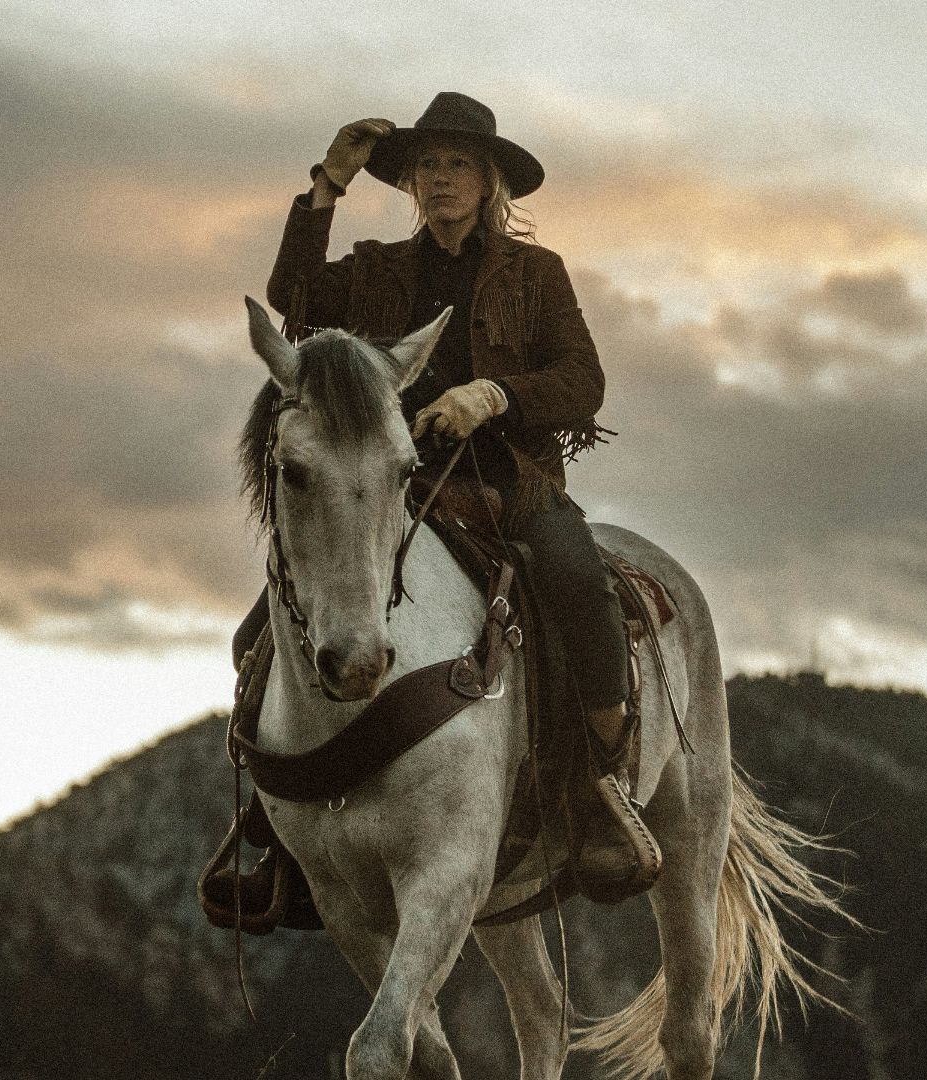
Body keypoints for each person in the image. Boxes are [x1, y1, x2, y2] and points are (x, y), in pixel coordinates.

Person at [240, 92, 655, 896]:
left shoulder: (536, 273)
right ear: (409, 183)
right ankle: (282, 825)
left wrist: (494, 394)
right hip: (399, 481)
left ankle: (603, 788)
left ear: (489, 179)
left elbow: (584, 380)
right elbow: (295, 296)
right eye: (426, 164)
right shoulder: (376, 268)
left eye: (458, 163)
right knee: (258, 633)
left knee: (579, 587)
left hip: (510, 482)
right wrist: (327, 185)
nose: (440, 178)